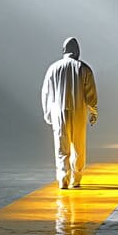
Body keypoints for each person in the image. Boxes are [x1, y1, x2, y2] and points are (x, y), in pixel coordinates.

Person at [40, 37, 98, 189]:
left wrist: (47, 113)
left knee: (61, 146)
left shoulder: (53, 68)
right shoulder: (84, 68)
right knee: (78, 147)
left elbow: (46, 93)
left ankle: (63, 179)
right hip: (78, 111)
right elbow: (90, 94)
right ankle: (76, 179)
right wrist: (93, 112)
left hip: (58, 112)